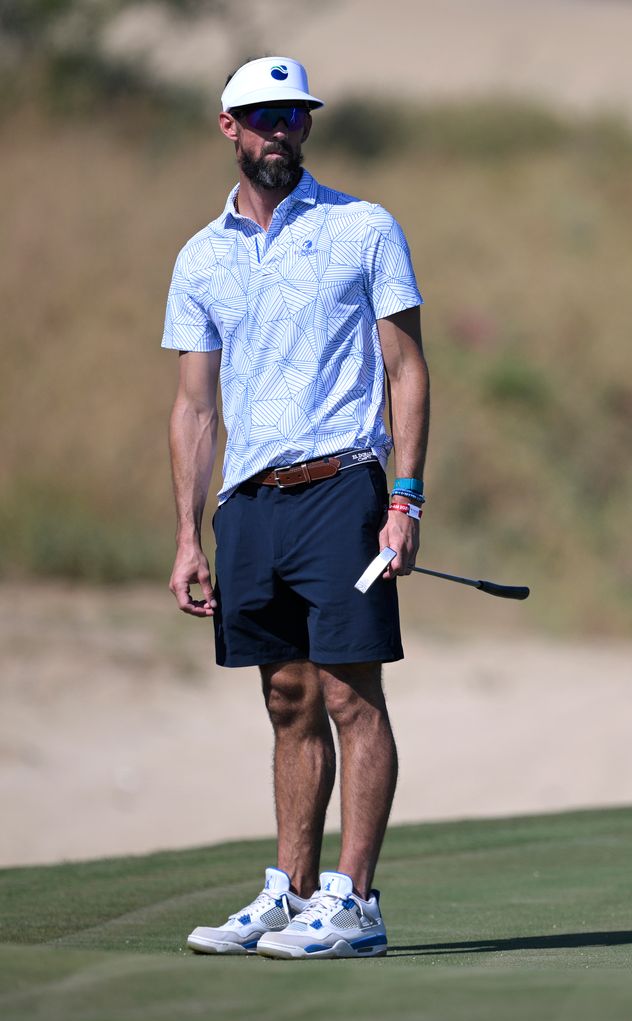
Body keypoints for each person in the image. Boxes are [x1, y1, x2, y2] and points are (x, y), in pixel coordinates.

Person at [162, 55, 429, 960]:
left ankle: (355, 902)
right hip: (248, 504)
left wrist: (405, 497)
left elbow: (406, 370)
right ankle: (292, 892)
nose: (283, 130)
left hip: (343, 488)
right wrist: (187, 536)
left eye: (296, 116)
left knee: (353, 695)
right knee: (286, 698)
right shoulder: (200, 256)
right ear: (229, 127)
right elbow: (196, 407)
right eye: (264, 116)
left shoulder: (363, 226)